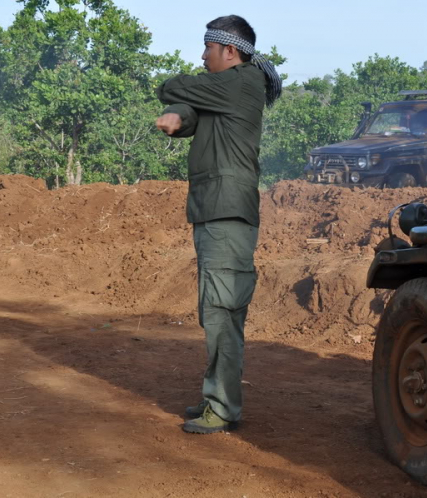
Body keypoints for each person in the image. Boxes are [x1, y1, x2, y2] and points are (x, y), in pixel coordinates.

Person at [155, 15, 281, 434]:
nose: (202, 55)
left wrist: (174, 101)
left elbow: (173, 87)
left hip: (226, 214)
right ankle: (219, 397)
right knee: (216, 310)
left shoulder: (243, 81)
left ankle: (222, 407)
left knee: (222, 313)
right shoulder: (227, 89)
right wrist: (178, 114)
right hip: (216, 212)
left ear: (230, 50)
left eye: (208, 48)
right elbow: (189, 109)